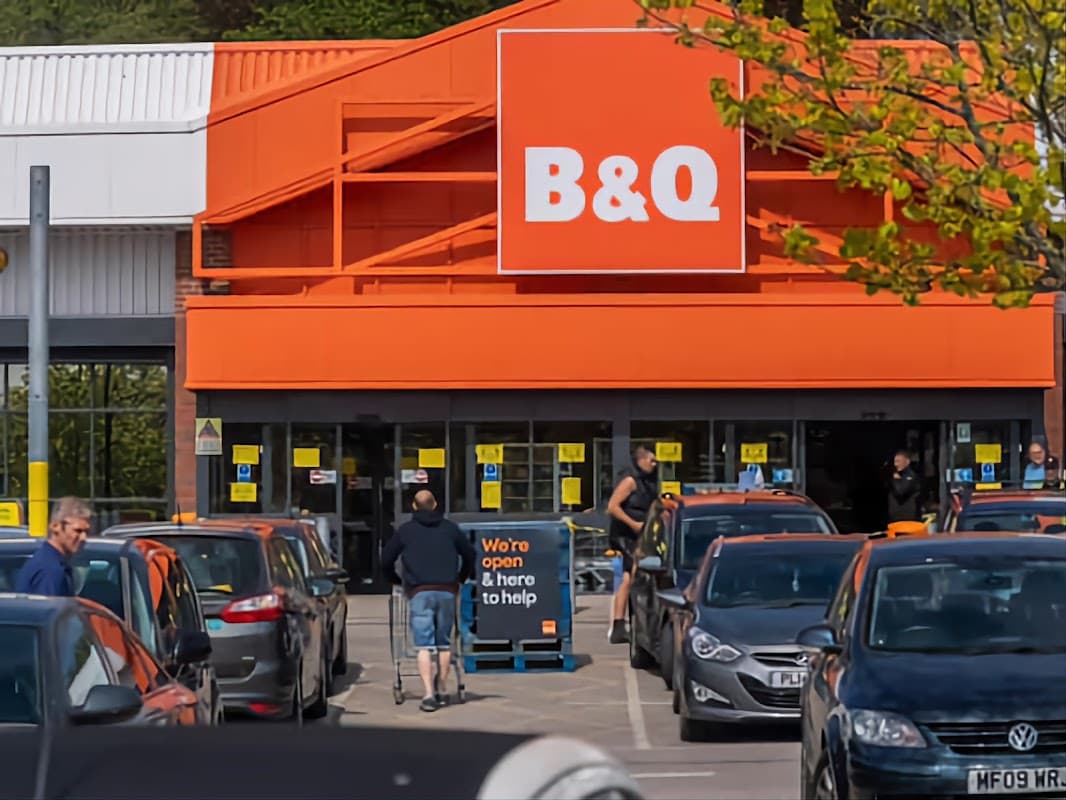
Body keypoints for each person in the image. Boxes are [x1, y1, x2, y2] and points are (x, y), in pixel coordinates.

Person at [381, 490, 475, 713]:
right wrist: (460, 578)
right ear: (435, 505)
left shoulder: (406, 531)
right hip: (447, 590)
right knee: (444, 643)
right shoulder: (450, 529)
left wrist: (395, 580)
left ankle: (428, 695)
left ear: (414, 506)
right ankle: (442, 687)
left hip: (419, 591)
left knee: (424, 645)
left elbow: (386, 559)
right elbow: (470, 554)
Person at [605, 446, 659, 644]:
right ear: (640, 460)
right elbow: (612, 507)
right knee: (630, 577)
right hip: (625, 535)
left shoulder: (650, 482)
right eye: (651, 460)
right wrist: (633, 524)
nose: (655, 464)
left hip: (641, 534)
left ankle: (629, 622)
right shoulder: (630, 481)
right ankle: (619, 625)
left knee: (634, 577)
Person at [14, 497, 92, 596]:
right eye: (78, 531)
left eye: (86, 531)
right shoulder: (50, 570)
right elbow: (48, 605)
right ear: (55, 526)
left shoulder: (48, 561)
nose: (83, 538)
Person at [887, 451, 922, 523]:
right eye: (895, 462)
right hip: (895, 517)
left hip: (907, 517)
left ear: (907, 461)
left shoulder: (910, 475)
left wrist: (896, 480)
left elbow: (901, 492)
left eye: (898, 461)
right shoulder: (894, 475)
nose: (896, 464)